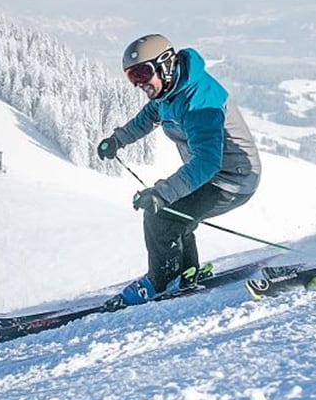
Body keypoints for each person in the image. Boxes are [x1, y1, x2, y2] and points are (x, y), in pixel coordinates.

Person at [97, 34, 262, 304]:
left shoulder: (201, 103)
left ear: (165, 65)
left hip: (232, 179)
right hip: (215, 174)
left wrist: (162, 194)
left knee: (161, 214)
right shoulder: (169, 91)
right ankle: (185, 273)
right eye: (131, 76)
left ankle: (163, 282)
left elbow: (207, 162)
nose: (138, 83)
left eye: (142, 73)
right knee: (175, 213)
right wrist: (118, 139)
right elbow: (149, 117)